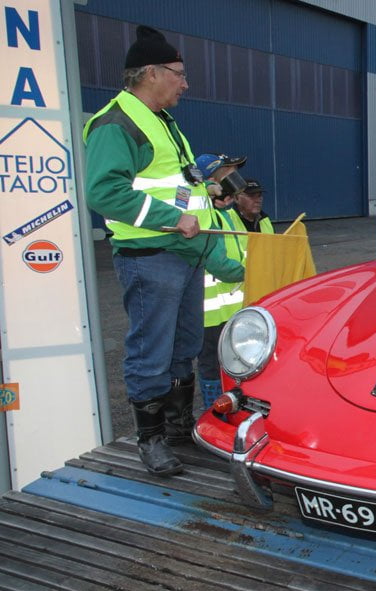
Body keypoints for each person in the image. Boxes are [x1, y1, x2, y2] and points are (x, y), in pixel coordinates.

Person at [83, 25, 243, 476]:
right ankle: (150, 441)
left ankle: (178, 430)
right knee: (151, 351)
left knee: (185, 345)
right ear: (150, 73)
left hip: (186, 253)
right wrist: (172, 218)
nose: (185, 83)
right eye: (179, 73)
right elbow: (105, 193)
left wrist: (206, 190)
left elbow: (173, 181)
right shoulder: (117, 123)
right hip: (151, 257)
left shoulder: (162, 121)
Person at [194, 153, 250, 410]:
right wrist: (251, 273)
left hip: (234, 305)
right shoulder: (204, 208)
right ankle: (214, 411)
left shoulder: (228, 212)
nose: (235, 178)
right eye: (229, 172)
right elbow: (218, 262)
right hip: (210, 309)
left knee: (238, 361)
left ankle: (233, 407)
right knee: (211, 364)